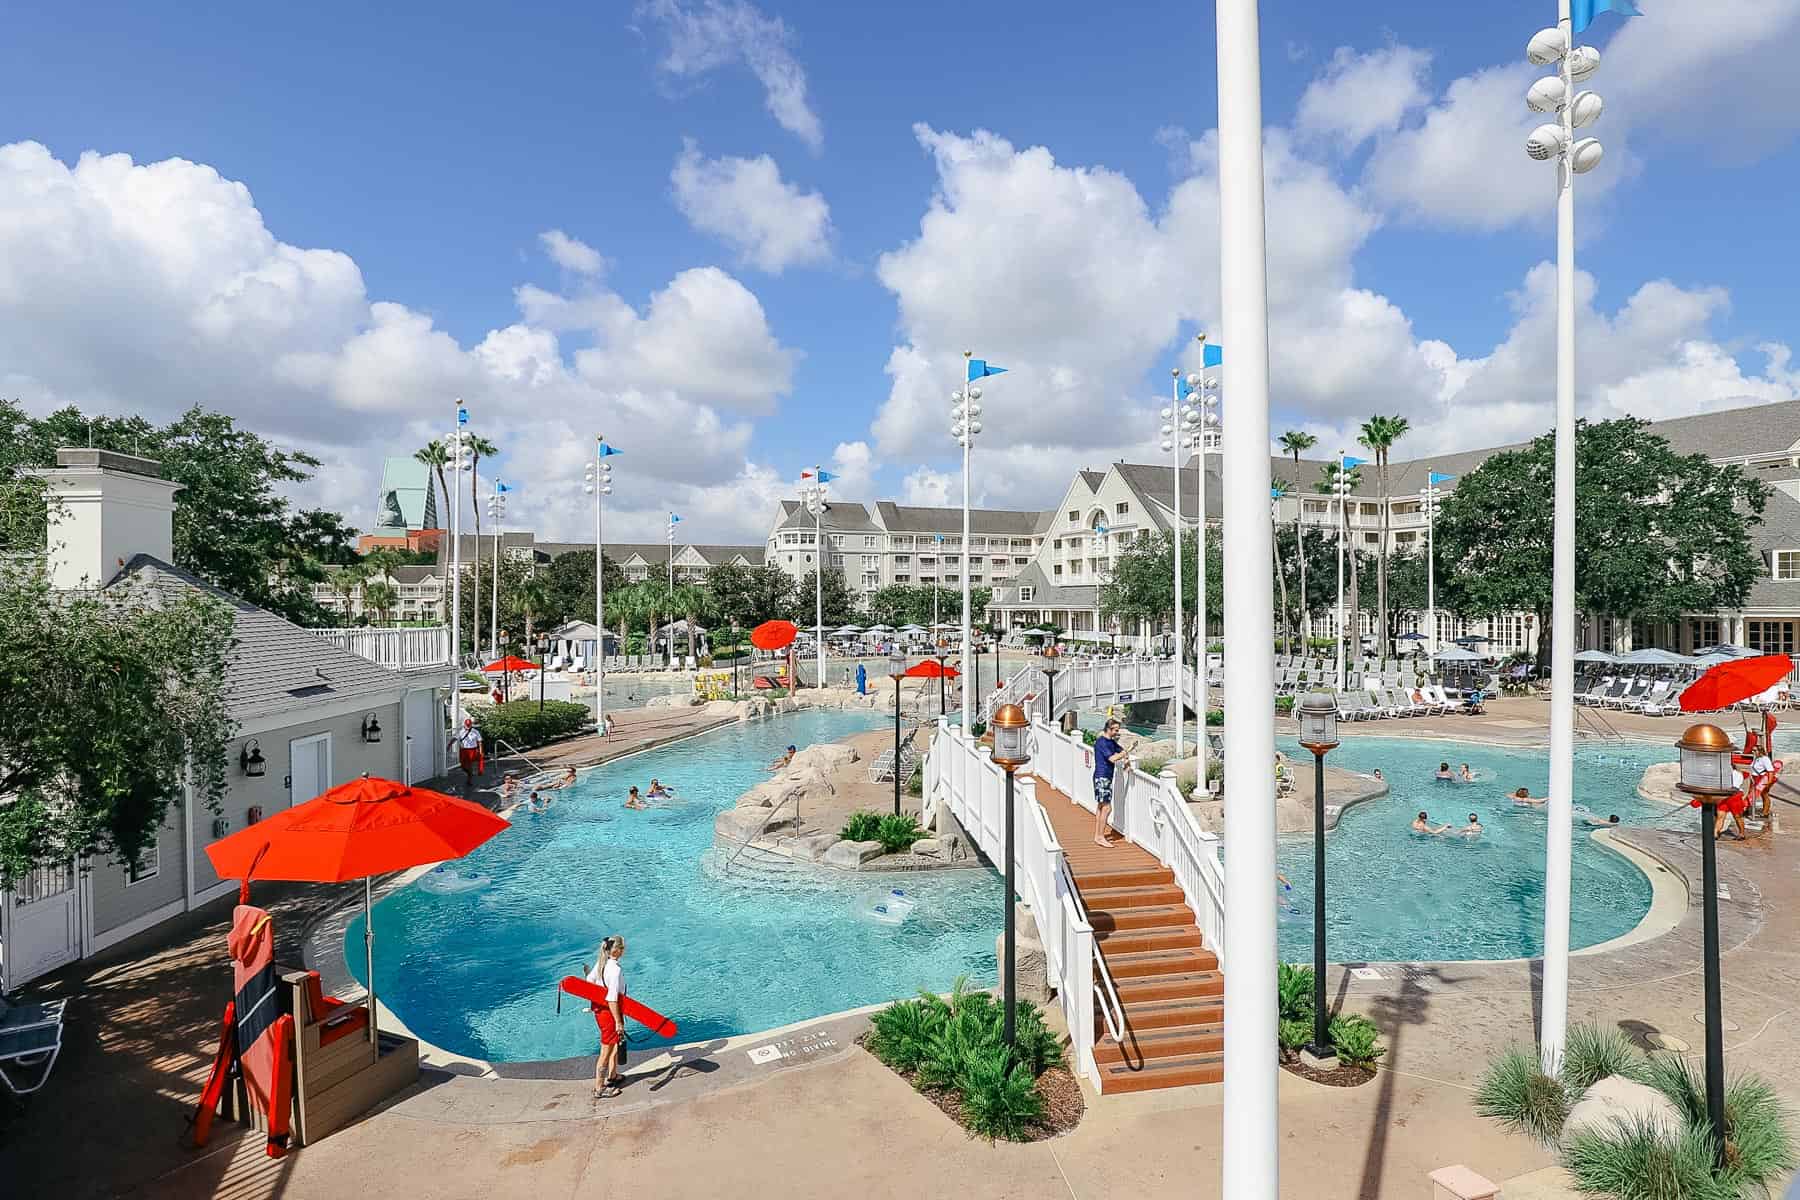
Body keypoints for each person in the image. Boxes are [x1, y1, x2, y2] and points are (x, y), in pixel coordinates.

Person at [589, 935, 628, 1098]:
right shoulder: (615, 970)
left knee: (614, 1044)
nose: (624, 951)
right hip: (610, 1013)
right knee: (606, 1050)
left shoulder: (601, 963)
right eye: (623, 948)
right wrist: (618, 1021)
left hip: (600, 1010)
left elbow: (589, 980)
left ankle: (612, 1076)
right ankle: (599, 1088)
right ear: (617, 950)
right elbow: (612, 998)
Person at [1092, 719, 1130, 848]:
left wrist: (1126, 760)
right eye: (1115, 730)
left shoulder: (1111, 742)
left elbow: (1122, 750)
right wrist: (1124, 754)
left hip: (1105, 777)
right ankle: (1100, 837)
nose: (1117, 732)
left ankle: (1097, 835)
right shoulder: (1102, 742)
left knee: (1101, 806)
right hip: (1102, 777)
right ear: (1108, 729)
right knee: (1107, 808)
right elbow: (1113, 758)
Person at [450, 717, 485, 790]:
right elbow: (454, 739)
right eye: (467, 725)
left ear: (471, 725)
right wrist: (449, 745)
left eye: (469, 725)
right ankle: (469, 773)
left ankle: (469, 779)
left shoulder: (475, 732)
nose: (468, 727)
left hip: (473, 750)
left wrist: (481, 751)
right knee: (462, 765)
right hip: (463, 750)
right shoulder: (461, 731)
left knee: (470, 765)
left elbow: (480, 742)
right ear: (465, 725)